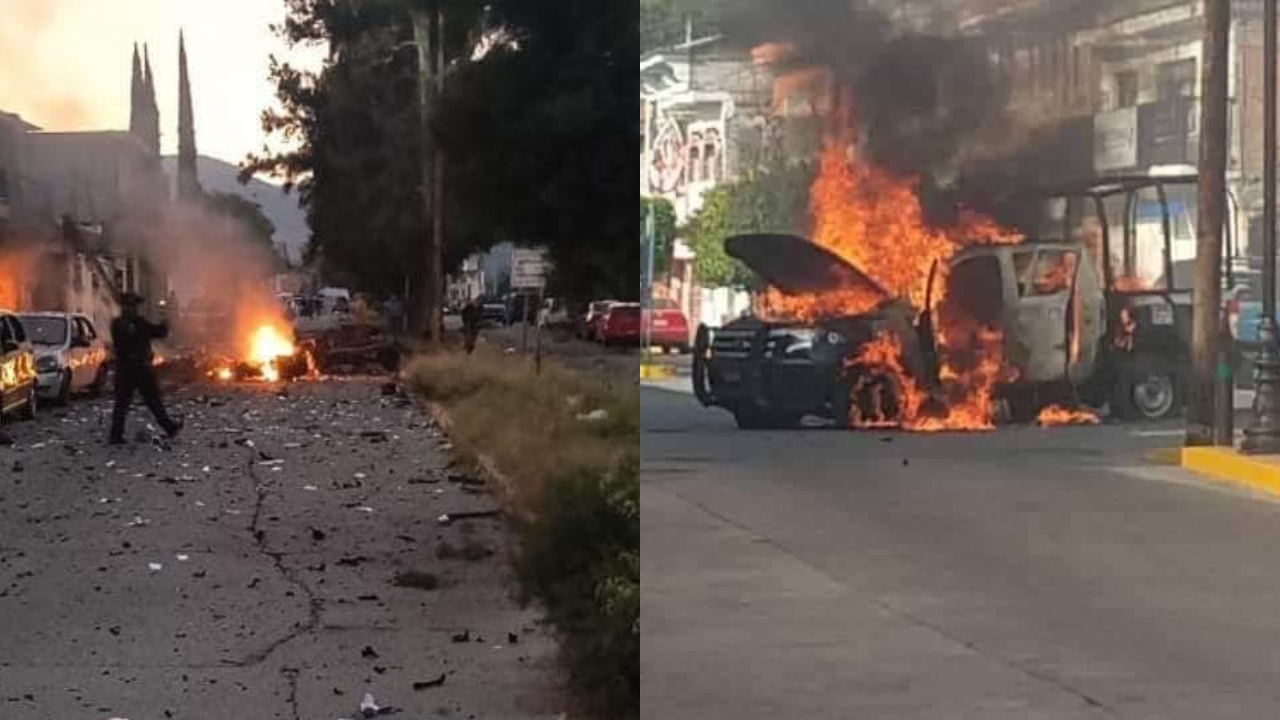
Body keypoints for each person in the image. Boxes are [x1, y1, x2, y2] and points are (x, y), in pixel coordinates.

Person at [109, 292, 182, 444]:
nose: (133, 308)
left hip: (125, 369)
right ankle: (169, 427)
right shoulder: (136, 323)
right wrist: (167, 321)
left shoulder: (117, 323)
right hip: (140, 369)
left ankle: (116, 435)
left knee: (123, 403)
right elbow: (159, 332)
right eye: (133, 305)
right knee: (152, 400)